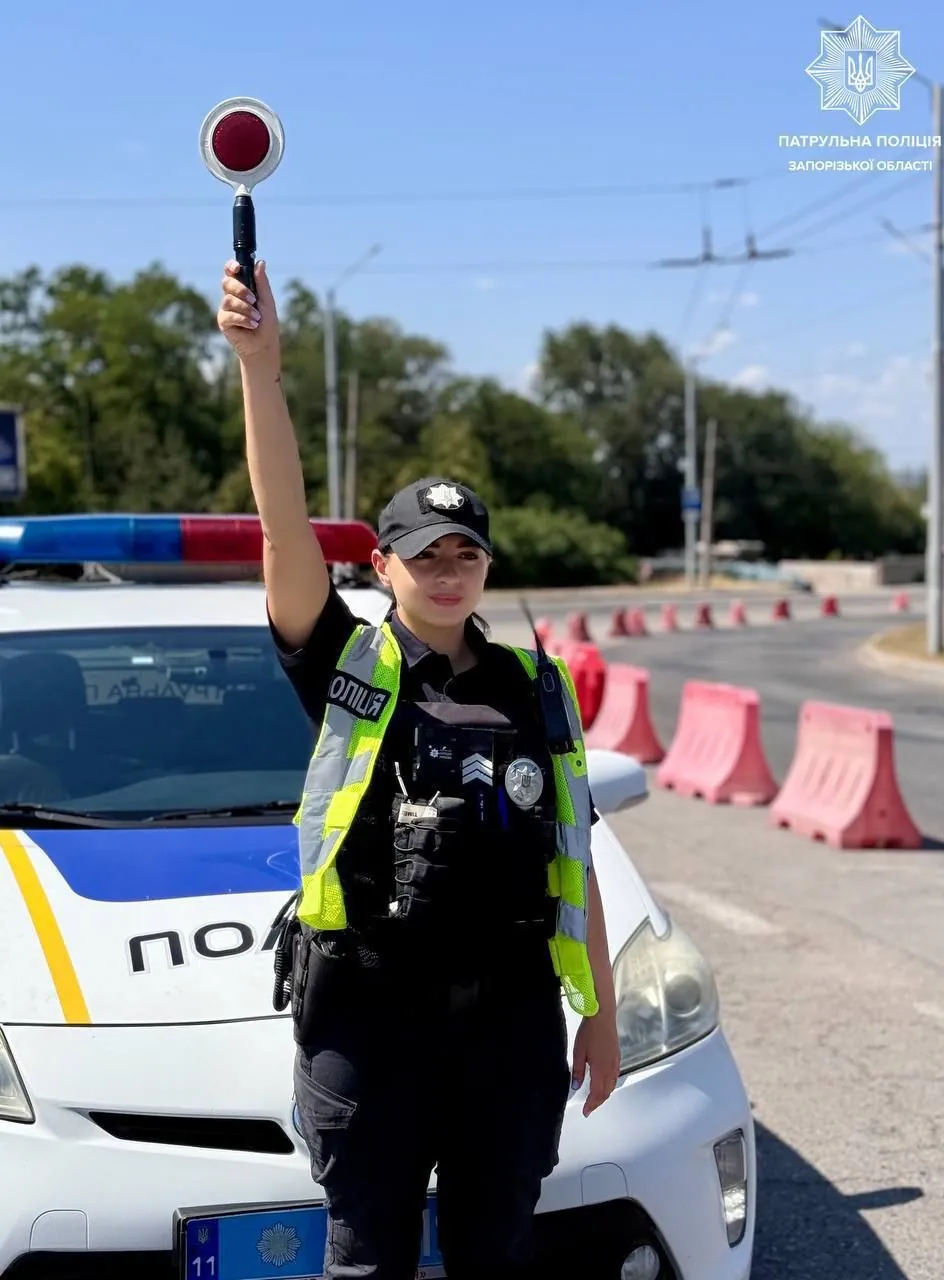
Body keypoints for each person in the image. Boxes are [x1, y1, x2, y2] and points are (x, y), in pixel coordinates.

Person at [216, 258, 621, 1280]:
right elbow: (280, 530)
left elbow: (576, 852)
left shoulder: (537, 686)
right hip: (368, 1018)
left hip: (510, 1022)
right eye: (424, 554)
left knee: (497, 1254)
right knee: (366, 1261)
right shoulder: (347, 661)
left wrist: (603, 1016)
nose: (447, 572)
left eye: (465, 554)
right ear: (380, 565)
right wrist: (260, 371)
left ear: (485, 565)